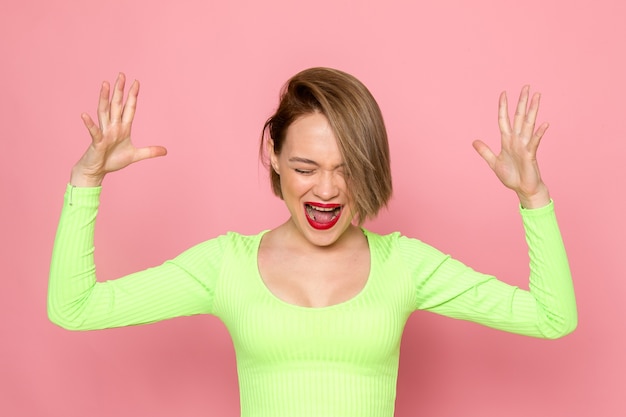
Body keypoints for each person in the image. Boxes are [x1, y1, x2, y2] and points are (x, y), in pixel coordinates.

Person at [48, 68, 577, 417]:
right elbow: (75, 308)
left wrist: (533, 197)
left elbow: (552, 318)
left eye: (346, 170)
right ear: (274, 158)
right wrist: (86, 182)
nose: (326, 189)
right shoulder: (226, 265)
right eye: (306, 167)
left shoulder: (406, 266)